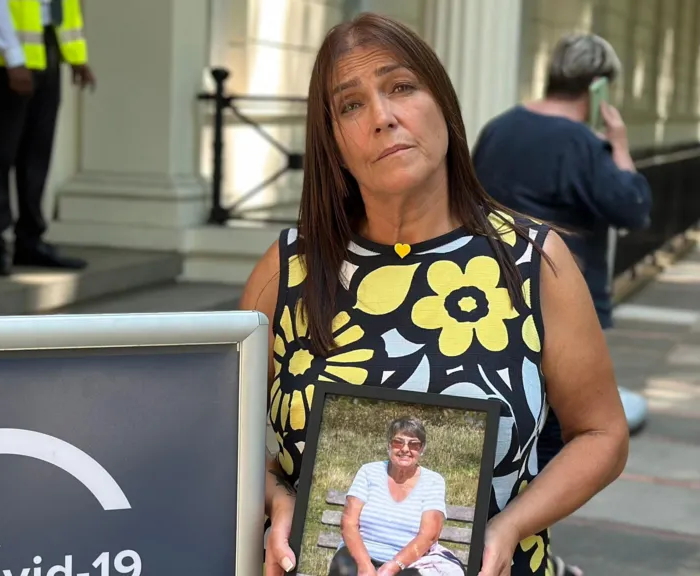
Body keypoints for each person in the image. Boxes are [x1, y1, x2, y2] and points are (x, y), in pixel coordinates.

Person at [239, 13, 629, 576]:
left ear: (443, 104)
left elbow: (603, 434)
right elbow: (226, 430)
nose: (382, 117)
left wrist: (508, 527)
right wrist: (274, 497)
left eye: (401, 87)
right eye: (351, 105)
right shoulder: (288, 269)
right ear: (334, 144)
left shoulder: (531, 263)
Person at [472, 33, 652, 441]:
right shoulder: (582, 144)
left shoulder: (499, 128)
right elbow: (634, 208)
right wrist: (619, 147)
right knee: (559, 432)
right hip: (562, 303)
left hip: (487, 296)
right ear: (598, 86)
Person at [0, 0, 96, 275]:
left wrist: (75, 57)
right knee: (0, 151)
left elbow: (63, 8)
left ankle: (30, 241)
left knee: (37, 150)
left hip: (47, 47)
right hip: (6, 57)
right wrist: (13, 58)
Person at [333, 418, 464, 576]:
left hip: (410, 561)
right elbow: (349, 522)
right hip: (361, 554)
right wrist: (365, 565)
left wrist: (393, 566)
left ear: (422, 448)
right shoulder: (369, 472)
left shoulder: (433, 481)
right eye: (398, 442)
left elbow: (428, 535)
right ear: (389, 445)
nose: (405, 449)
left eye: (414, 444)